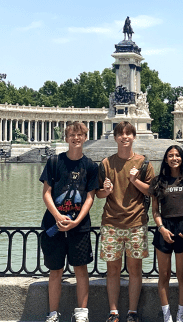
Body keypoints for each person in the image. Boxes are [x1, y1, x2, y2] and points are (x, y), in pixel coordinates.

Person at [40, 122, 98, 322]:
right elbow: (46, 193)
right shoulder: (54, 161)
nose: (76, 138)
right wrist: (57, 216)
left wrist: (76, 221)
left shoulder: (90, 165)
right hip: (54, 225)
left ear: (85, 137)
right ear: (66, 138)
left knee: (81, 269)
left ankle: (82, 314)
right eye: (72, 135)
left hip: (79, 227)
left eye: (80, 134)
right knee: (55, 270)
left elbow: (90, 197)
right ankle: (53, 313)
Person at [96, 121, 155, 322]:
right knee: (112, 270)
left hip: (136, 222)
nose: (124, 137)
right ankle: (113, 312)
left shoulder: (144, 163)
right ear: (115, 138)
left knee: (135, 269)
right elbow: (99, 195)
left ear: (134, 137)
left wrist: (135, 181)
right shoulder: (105, 163)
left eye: (128, 133)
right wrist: (106, 190)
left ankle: (132, 312)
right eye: (120, 134)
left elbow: (152, 191)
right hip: (111, 222)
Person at [149, 145, 183, 322]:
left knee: (182, 274)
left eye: (177, 155)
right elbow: (154, 210)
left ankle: (181, 313)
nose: (174, 158)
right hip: (164, 227)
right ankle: (167, 315)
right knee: (164, 275)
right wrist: (160, 227)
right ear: (165, 159)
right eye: (170, 155)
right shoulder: (158, 181)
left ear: (182, 158)